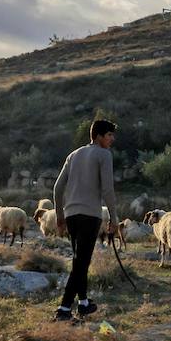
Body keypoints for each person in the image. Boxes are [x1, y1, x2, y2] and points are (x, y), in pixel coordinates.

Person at [52, 119, 120, 322]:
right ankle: (64, 309)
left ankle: (83, 303)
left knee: (79, 260)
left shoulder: (73, 155)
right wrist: (114, 218)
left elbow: (57, 189)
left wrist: (59, 215)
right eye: (109, 135)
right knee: (81, 263)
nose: (112, 139)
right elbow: (108, 190)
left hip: (71, 215)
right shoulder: (104, 154)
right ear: (98, 136)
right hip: (90, 215)